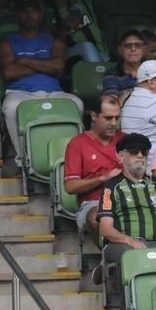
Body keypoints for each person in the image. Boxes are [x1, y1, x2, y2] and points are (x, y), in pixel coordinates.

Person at [96, 133, 156, 302]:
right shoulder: (111, 187)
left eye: (144, 152)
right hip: (123, 244)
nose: (139, 155)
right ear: (120, 156)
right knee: (131, 255)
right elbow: (105, 228)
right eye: (133, 151)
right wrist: (131, 241)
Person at [0, 0, 82, 168]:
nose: (29, 15)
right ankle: (23, 161)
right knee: (12, 107)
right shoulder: (8, 42)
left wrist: (25, 60)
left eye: (34, 11)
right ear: (18, 16)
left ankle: (71, 160)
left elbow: (59, 67)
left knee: (76, 103)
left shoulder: (54, 41)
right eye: (25, 11)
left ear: (40, 15)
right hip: (20, 93)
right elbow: (9, 72)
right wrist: (45, 64)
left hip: (54, 92)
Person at [64, 93, 123, 243]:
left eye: (117, 118)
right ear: (94, 116)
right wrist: (103, 178)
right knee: (96, 216)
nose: (113, 123)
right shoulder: (78, 144)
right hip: (95, 202)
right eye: (108, 118)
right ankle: (108, 259)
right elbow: (70, 187)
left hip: (127, 198)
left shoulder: (125, 140)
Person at [38, 0, 105, 62]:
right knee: (87, 47)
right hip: (73, 57)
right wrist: (65, 28)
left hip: (101, 53)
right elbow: (50, 46)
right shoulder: (47, 11)